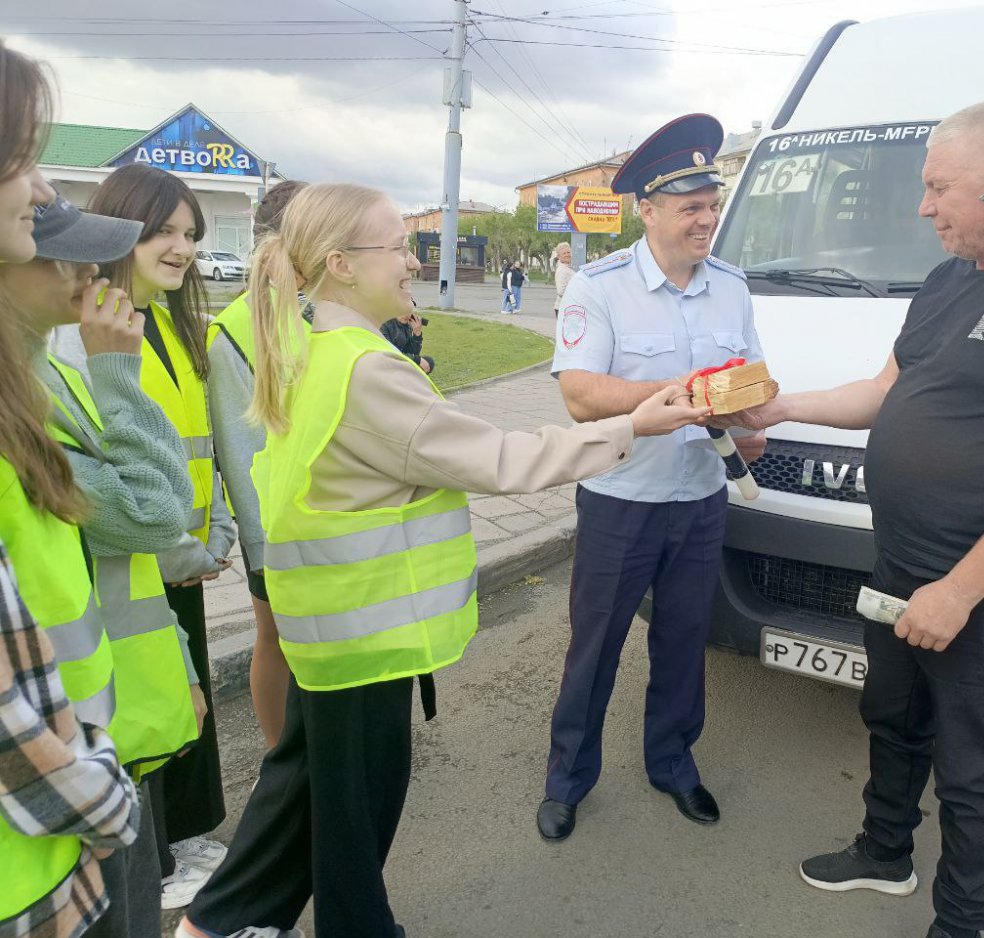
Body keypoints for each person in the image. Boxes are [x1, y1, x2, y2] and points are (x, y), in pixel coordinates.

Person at [175, 182, 708, 938]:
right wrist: (632, 426)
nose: (412, 262)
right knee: (352, 813)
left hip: (331, 627)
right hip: (364, 636)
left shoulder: (319, 346)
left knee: (306, 792)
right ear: (341, 264)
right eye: (395, 247)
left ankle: (216, 924)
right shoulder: (364, 367)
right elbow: (494, 458)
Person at [718, 101, 984, 938]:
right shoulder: (951, 280)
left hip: (981, 584)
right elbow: (885, 392)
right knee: (892, 713)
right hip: (903, 561)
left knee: (972, 761)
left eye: (937, 186)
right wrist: (776, 407)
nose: (923, 206)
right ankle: (884, 854)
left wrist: (959, 591)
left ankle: (963, 922)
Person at [536, 113, 767, 842]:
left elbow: (754, 381)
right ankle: (567, 780)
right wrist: (681, 396)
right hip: (621, 502)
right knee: (594, 646)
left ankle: (673, 764)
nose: (707, 220)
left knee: (683, 643)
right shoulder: (600, 287)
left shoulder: (731, 286)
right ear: (649, 210)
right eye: (691, 207)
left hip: (699, 499)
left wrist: (748, 415)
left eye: (712, 204)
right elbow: (579, 393)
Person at [6, 193, 213, 937]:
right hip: (75, 760)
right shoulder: (34, 393)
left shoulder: (47, 378)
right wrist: (119, 375)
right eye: (58, 248)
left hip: (114, 722)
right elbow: (154, 517)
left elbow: (123, 562)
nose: (91, 268)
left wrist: (182, 659)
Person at [0, 39, 141, 938]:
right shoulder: (80, 371)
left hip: (63, 825)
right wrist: (105, 800)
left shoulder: (35, 378)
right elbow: (154, 512)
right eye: (21, 159)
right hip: (53, 834)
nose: (47, 192)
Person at [69, 164, 237, 909]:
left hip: (187, 555)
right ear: (119, 228)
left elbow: (204, 444)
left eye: (191, 234)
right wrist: (181, 548)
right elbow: (117, 459)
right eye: (164, 230)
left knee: (183, 706)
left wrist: (219, 533)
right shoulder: (88, 337)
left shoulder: (167, 322)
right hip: (141, 558)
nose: (182, 248)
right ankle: (161, 864)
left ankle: (181, 841)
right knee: (147, 716)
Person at [205, 178, 308, 750]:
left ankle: (321, 748)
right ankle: (280, 755)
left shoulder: (325, 312)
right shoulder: (234, 332)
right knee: (274, 636)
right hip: (278, 524)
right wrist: (265, 544)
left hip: (336, 515)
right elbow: (241, 455)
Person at [380, 307, 434, 374]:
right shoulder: (384, 325)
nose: (406, 315)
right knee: (420, 362)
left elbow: (412, 352)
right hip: (386, 362)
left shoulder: (406, 325)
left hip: (400, 360)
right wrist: (416, 359)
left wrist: (417, 335)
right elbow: (388, 353)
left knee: (429, 362)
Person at [553, 241, 574, 315]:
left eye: (568, 252)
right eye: (564, 253)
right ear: (559, 256)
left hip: (567, 307)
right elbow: (561, 291)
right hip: (563, 308)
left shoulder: (567, 268)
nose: (567, 255)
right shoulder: (562, 270)